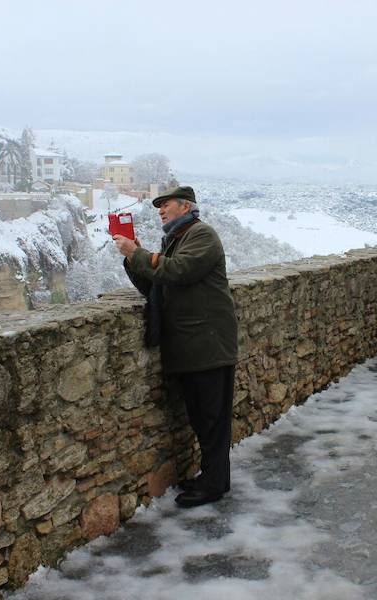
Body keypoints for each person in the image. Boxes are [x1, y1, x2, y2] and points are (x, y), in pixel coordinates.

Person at [114, 185, 238, 508]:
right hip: (192, 347)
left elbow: (177, 272)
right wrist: (134, 257)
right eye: (158, 207)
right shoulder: (175, 240)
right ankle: (212, 477)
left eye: (165, 205)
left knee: (212, 419)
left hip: (208, 347)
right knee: (201, 417)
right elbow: (156, 284)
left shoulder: (202, 236)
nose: (160, 210)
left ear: (185, 207)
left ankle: (214, 484)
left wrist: (137, 254)